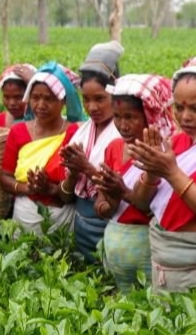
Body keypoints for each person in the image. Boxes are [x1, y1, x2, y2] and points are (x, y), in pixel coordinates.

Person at [92, 74, 174, 292]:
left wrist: (121, 191)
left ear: (149, 116)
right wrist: (107, 202)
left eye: (130, 117)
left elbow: (148, 206)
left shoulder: (163, 155)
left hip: (147, 248)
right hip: (116, 246)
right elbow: (103, 206)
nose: (122, 125)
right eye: (117, 116)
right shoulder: (113, 148)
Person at [126, 58, 196, 292]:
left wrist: (171, 172)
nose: (185, 117)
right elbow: (141, 202)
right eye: (179, 107)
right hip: (164, 262)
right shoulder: (175, 143)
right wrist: (152, 171)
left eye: (195, 108)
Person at [0, 62, 82, 233]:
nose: (40, 105)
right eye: (35, 98)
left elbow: (75, 184)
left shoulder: (75, 133)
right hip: (25, 211)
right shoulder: (19, 131)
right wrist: (27, 188)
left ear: (63, 101)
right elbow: (5, 178)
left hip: (62, 215)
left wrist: (51, 189)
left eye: (49, 99)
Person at [60, 41, 123, 261]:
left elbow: (123, 191)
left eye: (100, 99)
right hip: (81, 223)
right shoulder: (81, 133)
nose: (92, 107)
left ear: (115, 95)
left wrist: (86, 167)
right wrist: (74, 172)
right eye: (86, 99)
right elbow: (65, 194)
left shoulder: (123, 135)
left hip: (110, 224)